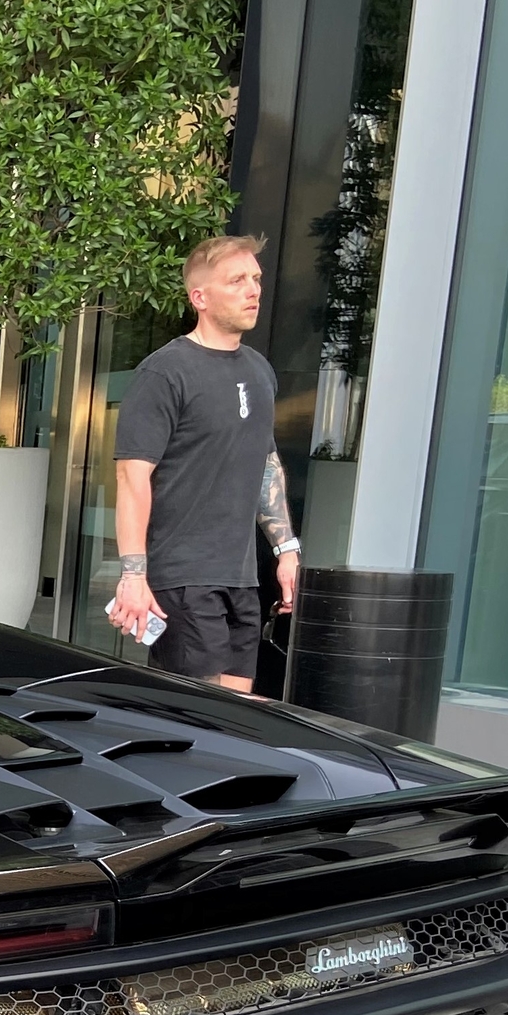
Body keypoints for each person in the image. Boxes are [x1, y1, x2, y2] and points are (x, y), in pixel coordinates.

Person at [105, 235, 300, 689]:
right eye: (237, 281)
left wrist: (286, 550)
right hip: (184, 579)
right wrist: (134, 576)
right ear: (201, 297)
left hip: (241, 577)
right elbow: (132, 478)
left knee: (233, 715)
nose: (253, 290)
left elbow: (265, 463)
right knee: (199, 719)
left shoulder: (259, 371)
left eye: (255, 279)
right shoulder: (165, 372)